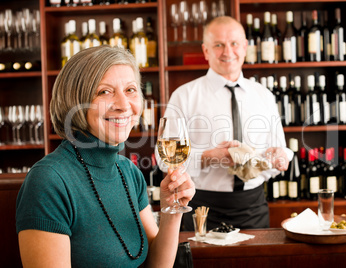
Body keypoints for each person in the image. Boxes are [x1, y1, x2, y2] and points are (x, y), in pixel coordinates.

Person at [16, 46, 195, 267]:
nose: (123, 105)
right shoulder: (48, 181)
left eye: (130, 90)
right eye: (104, 91)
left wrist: (171, 210)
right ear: (76, 102)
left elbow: (157, 265)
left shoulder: (129, 172)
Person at [159, 16, 292, 231]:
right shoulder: (184, 96)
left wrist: (281, 156)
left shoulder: (264, 95)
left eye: (234, 44)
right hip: (199, 207)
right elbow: (164, 161)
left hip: (253, 206)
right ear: (206, 51)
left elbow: (280, 149)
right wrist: (208, 157)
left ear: (245, 47)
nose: (227, 52)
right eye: (218, 45)